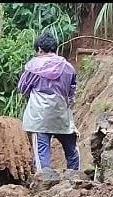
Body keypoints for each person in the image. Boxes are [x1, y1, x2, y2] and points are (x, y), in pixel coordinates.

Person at [17, 32, 80, 180]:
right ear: (55, 48)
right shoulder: (68, 68)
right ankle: (76, 178)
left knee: (42, 150)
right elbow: (72, 93)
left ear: (39, 49)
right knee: (71, 148)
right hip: (61, 114)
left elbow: (22, 88)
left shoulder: (32, 67)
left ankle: (44, 182)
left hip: (39, 116)